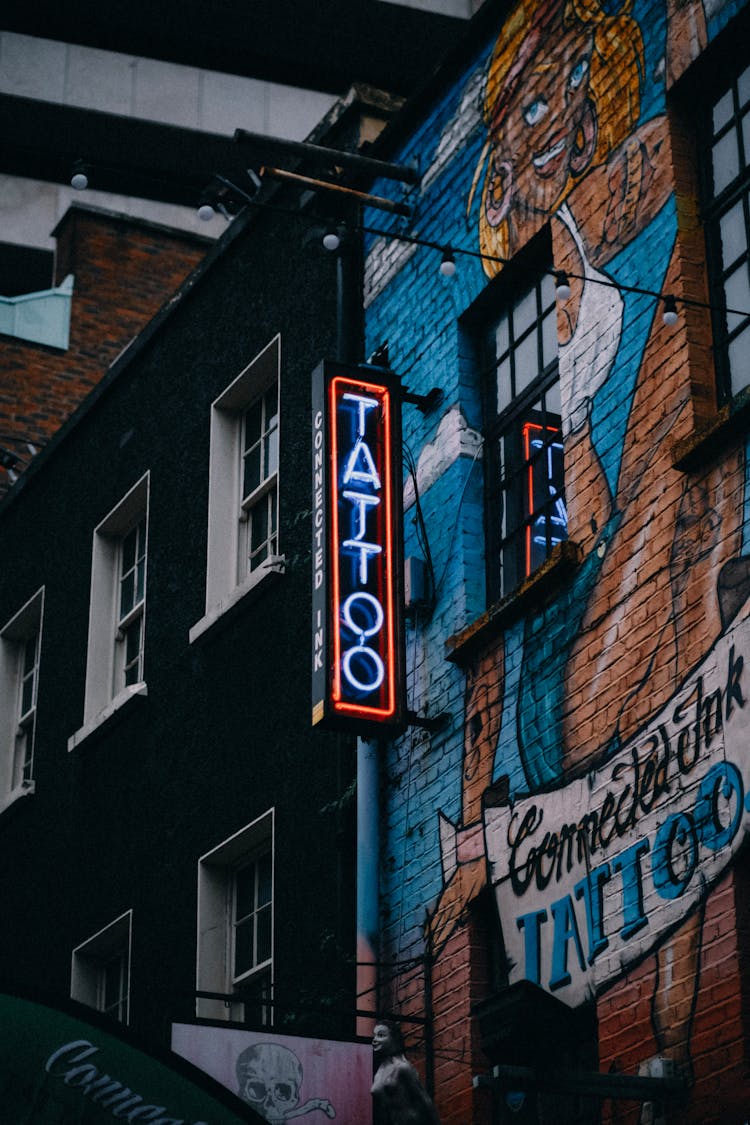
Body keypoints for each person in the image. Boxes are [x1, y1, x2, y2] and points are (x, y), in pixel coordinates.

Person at [371, 1022, 441, 1125]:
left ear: (394, 1039)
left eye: (381, 1035)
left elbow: (425, 1101)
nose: (375, 1039)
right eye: (375, 1035)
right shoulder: (381, 1069)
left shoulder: (403, 1067)